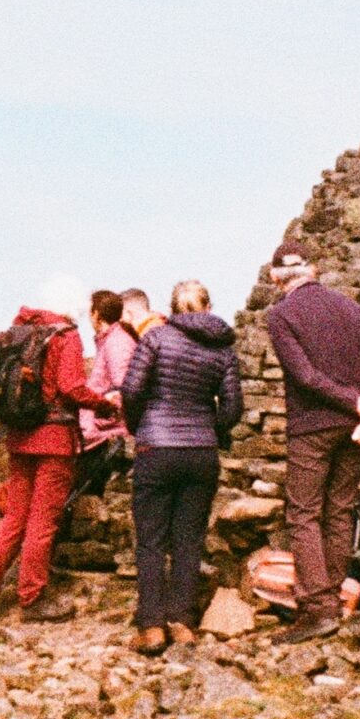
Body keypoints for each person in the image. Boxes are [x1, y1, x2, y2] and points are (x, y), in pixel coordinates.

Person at [262, 242, 360, 644]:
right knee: (339, 511)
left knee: (303, 514)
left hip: (312, 427)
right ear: (312, 270)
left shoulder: (280, 314)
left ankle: (318, 610)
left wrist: (352, 400)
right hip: (354, 429)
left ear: (274, 278)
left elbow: (304, 375)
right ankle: (333, 599)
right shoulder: (353, 310)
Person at [0, 303, 119, 626]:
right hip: (55, 440)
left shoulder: (16, 333)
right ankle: (32, 598)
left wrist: (11, 388)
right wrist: (104, 405)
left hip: (20, 437)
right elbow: (70, 387)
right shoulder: (66, 335)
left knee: (14, 519)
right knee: (42, 520)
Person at [122, 280, 244, 655]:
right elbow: (233, 407)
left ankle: (152, 626)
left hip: (155, 448)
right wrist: (212, 427)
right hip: (200, 453)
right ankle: (183, 623)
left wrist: (139, 426)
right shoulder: (223, 350)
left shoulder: (156, 339)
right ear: (208, 306)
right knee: (189, 541)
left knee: (152, 540)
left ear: (172, 308)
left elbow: (131, 390)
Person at [73, 290, 137, 501]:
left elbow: (124, 387)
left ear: (96, 314)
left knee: (87, 494)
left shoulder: (117, 343)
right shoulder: (110, 340)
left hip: (106, 435)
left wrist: (103, 412)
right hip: (100, 433)